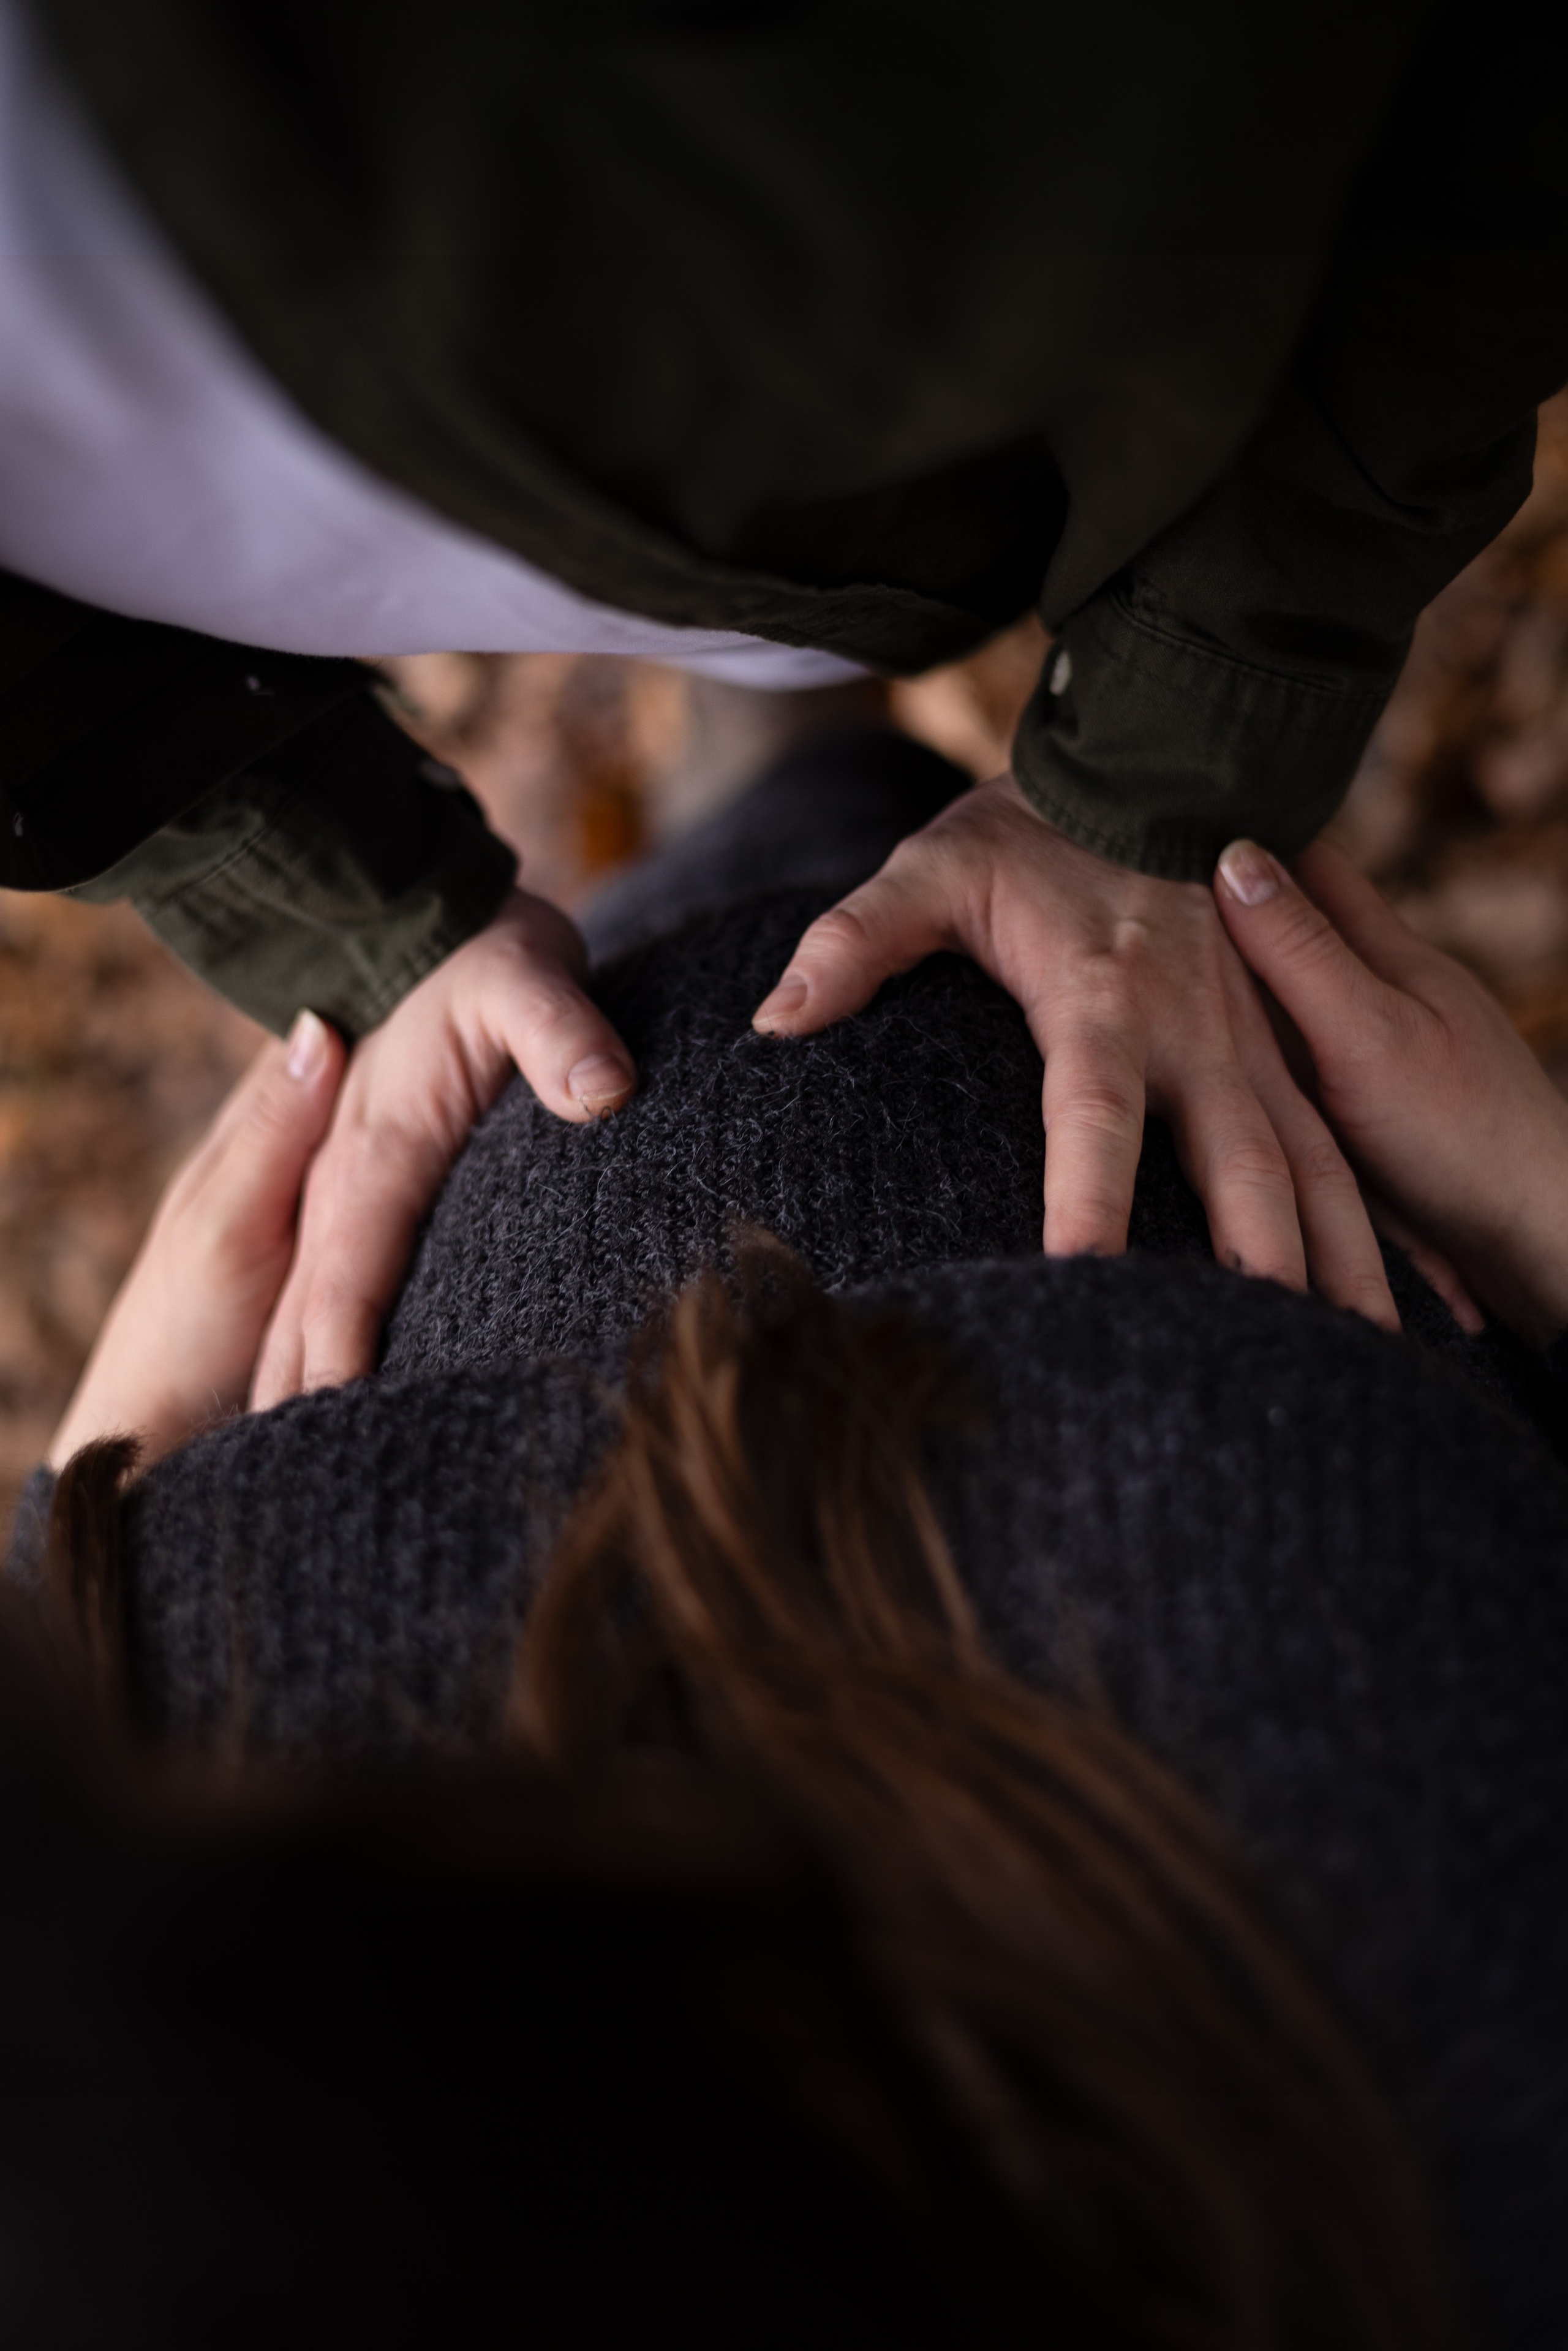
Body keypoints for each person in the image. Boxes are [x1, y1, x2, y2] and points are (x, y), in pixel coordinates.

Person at [12, 746, 1568, 2345]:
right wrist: (1541, 1213)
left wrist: (78, 1558)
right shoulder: (1473, 2065)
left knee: (747, 852)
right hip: (1160, 1179)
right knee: (816, 821)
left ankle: (781, 723)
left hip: (538, 1129)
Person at [2, 0, 1566, 1394]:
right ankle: (797, 743)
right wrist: (355, 910)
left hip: (912, 414)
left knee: (723, 928)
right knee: (755, 890)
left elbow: (1470, 99)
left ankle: (788, 759)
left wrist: (1172, 757)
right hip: (729, 516)